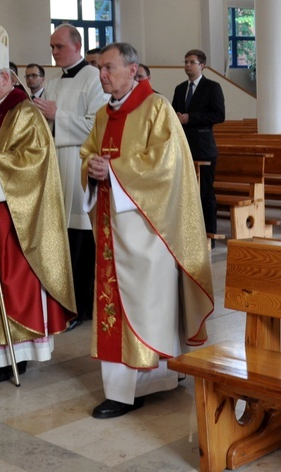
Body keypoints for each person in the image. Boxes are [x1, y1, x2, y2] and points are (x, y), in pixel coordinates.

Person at [81, 42, 214, 419]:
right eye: (100, 68)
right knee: (120, 305)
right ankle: (124, 389)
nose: (102, 74)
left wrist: (116, 171)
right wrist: (90, 170)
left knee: (148, 305)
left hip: (149, 229)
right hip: (113, 226)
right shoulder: (104, 115)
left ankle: (155, 379)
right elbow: (89, 154)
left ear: (132, 69)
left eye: (108, 67)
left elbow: (167, 165)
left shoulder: (157, 108)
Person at [0, 23, 76, 385]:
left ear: (6, 78)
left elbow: (35, 163)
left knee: (12, 282)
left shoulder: (24, 112)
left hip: (15, 219)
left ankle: (18, 350)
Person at [36, 24, 109, 329]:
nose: (54, 53)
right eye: (51, 47)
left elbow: (98, 124)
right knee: (62, 238)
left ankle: (82, 308)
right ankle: (62, 303)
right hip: (56, 167)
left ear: (77, 46)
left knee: (80, 239)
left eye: (59, 47)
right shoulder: (52, 82)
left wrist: (57, 116)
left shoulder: (93, 78)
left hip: (79, 165)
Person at [171, 49, 225, 239]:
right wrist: (176, 117)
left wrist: (190, 117)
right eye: (185, 62)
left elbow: (219, 115)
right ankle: (189, 234)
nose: (187, 65)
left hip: (203, 147)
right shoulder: (180, 89)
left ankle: (210, 233)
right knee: (185, 193)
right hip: (184, 147)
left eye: (191, 62)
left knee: (205, 193)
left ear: (202, 65)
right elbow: (173, 112)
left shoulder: (212, 87)